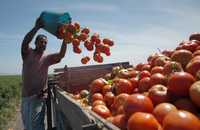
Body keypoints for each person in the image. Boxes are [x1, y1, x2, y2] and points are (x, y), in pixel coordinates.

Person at [21, 17, 67, 130]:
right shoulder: (27, 53)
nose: (44, 44)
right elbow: (25, 42)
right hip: (25, 97)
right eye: (41, 42)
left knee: (36, 126)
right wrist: (36, 27)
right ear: (36, 43)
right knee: (27, 125)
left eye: (45, 43)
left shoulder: (47, 58)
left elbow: (61, 55)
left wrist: (65, 40)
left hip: (39, 97)